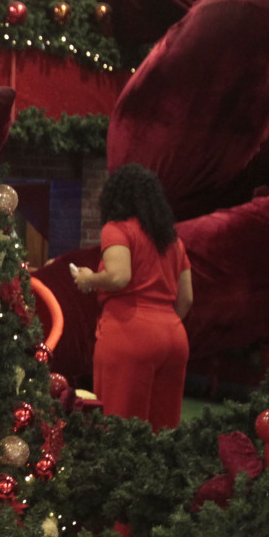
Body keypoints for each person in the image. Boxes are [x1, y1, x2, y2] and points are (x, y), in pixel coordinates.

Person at [70, 163, 193, 430]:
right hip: (174, 335)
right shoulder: (173, 240)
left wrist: (88, 279)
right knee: (164, 429)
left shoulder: (117, 229)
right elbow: (186, 299)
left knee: (120, 426)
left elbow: (119, 276)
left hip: (129, 332)